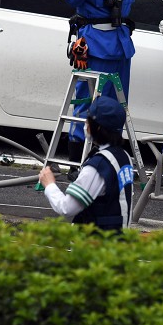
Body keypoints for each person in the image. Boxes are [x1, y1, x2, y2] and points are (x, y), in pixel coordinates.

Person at [61, 0, 154, 173]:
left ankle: (110, 156)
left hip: (121, 42)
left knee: (117, 102)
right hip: (94, 41)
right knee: (87, 101)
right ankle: (77, 158)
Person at [37, 96, 135, 231]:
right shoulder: (124, 156)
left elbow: (66, 208)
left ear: (97, 128)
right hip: (119, 239)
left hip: (95, 245)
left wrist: (49, 184)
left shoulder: (98, 166)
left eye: (87, 121)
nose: (85, 125)